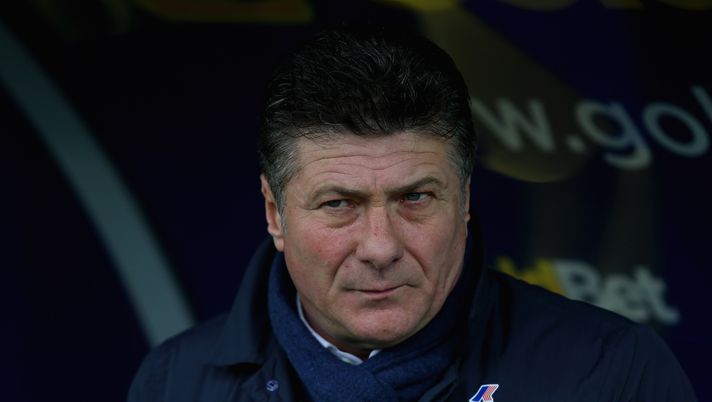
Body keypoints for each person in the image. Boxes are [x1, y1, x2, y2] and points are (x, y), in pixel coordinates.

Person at [128, 27, 697, 402]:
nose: (381, 247)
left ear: (464, 200)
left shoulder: (611, 373)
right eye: (339, 204)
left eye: (415, 198)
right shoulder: (175, 383)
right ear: (275, 214)